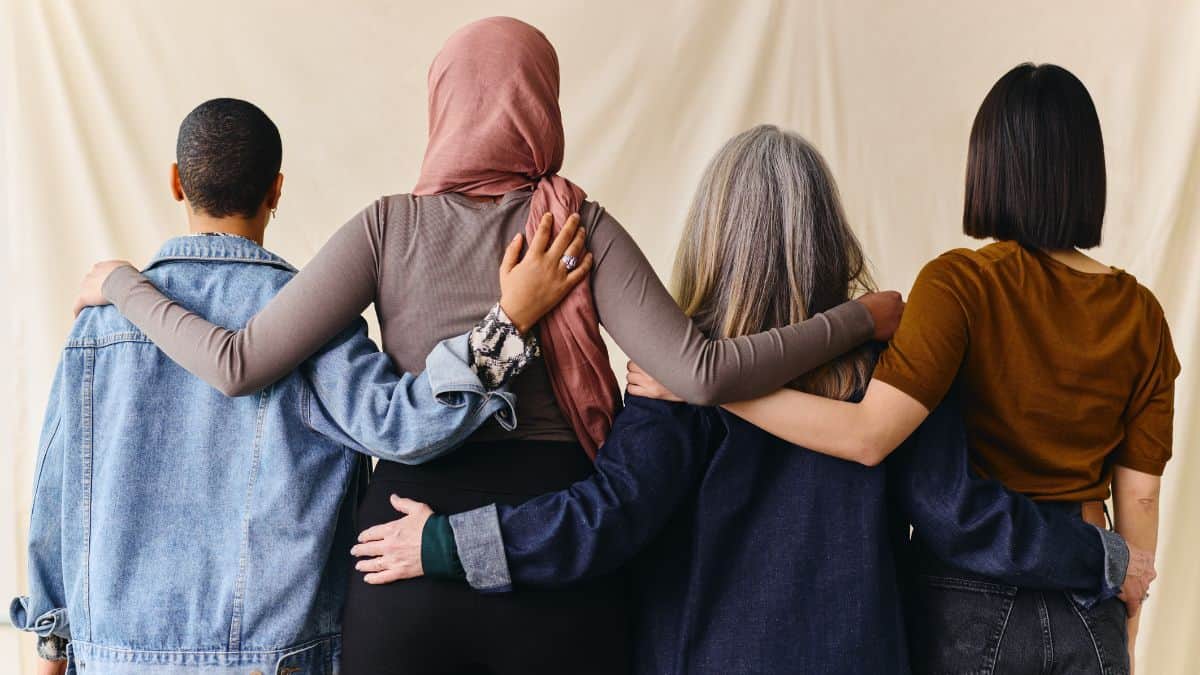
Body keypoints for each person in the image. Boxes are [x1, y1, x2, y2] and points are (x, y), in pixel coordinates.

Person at [72, 17, 905, 675]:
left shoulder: (384, 226)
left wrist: (120, 282)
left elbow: (238, 363)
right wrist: (858, 320)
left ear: (440, 104)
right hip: (555, 570)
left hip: (397, 555)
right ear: (545, 104)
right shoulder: (575, 225)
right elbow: (700, 371)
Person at [363, 126, 1140, 675]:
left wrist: (447, 543)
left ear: (712, 234)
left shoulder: (672, 382)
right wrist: (1103, 557)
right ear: (830, 236)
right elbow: (959, 515)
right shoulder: (893, 369)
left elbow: (604, 522)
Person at [12, 97, 587, 675]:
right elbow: (403, 426)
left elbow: (56, 500)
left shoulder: (103, 322)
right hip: (278, 662)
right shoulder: (311, 323)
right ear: (277, 190)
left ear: (175, 183)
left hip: (114, 660)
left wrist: (51, 651)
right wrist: (507, 322)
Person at [632, 65, 1172, 674]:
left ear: (988, 165)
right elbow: (1142, 497)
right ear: (1089, 171)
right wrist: (1125, 616)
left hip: (969, 601)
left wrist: (706, 380)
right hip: (1086, 590)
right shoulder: (1143, 313)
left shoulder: (957, 286)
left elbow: (870, 436)